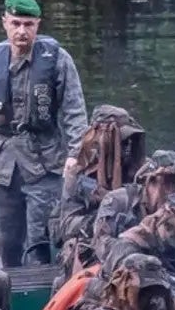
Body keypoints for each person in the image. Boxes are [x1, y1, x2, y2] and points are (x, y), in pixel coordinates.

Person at [0, 0, 87, 268]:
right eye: (16, 23)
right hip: (2, 165)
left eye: (28, 25)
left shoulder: (57, 60)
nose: (22, 31)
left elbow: (74, 111)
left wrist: (76, 154)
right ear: (5, 23)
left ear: (38, 25)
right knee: (8, 238)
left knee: (40, 238)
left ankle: (43, 296)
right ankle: (9, 293)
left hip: (43, 163)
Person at [51, 103, 147, 266]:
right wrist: (103, 221)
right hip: (90, 245)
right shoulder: (79, 175)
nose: (126, 148)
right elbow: (65, 227)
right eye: (121, 142)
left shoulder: (139, 172)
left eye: (128, 142)